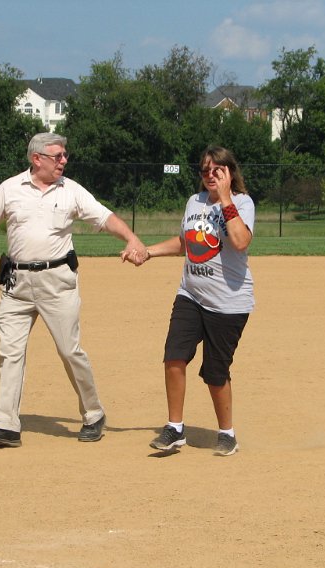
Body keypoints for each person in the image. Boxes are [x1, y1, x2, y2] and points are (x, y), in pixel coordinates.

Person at [0, 132, 146, 448]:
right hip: (16, 284)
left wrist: (131, 238)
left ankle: (93, 413)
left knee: (69, 350)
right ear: (37, 159)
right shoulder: (10, 189)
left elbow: (104, 217)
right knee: (10, 352)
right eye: (57, 156)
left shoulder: (70, 190)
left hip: (57, 282)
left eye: (64, 155)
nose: (64, 160)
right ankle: (6, 425)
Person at [124, 146, 255, 456]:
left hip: (229, 302)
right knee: (174, 356)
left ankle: (227, 433)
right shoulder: (193, 202)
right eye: (205, 171)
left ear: (230, 172)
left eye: (217, 170)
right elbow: (185, 242)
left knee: (215, 372)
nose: (210, 175)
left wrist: (224, 200)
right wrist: (148, 252)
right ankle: (175, 429)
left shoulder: (242, 203)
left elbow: (240, 241)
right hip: (191, 294)